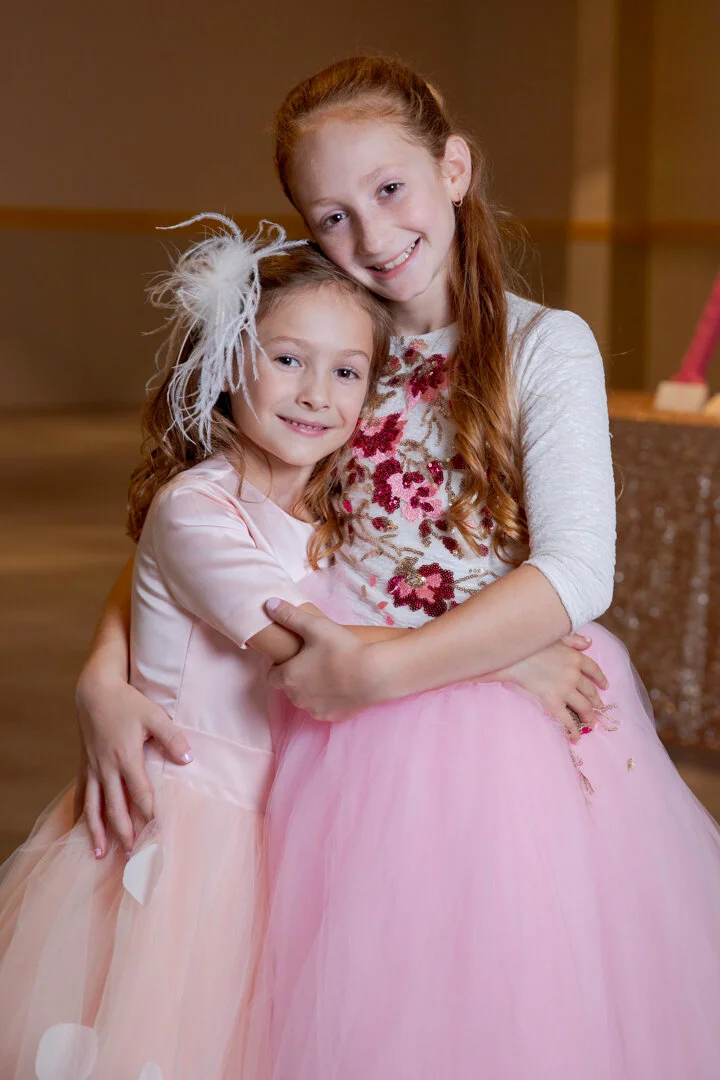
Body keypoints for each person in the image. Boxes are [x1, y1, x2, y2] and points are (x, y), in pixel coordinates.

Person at [75, 56, 720, 1078]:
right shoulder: (328, 345)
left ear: (453, 169)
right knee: (328, 1002)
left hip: (480, 741)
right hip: (319, 720)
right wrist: (101, 678)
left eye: (389, 190)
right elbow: (205, 522)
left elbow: (578, 571)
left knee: (497, 1001)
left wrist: (390, 671)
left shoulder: (544, 347)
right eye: (331, 217)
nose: (372, 238)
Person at [0, 217, 396, 1079]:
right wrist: (505, 655)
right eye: (287, 359)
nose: (316, 394)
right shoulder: (196, 510)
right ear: (225, 363)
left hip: (288, 821)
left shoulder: (341, 515)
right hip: (192, 833)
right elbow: (311, 647)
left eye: (346, 371)